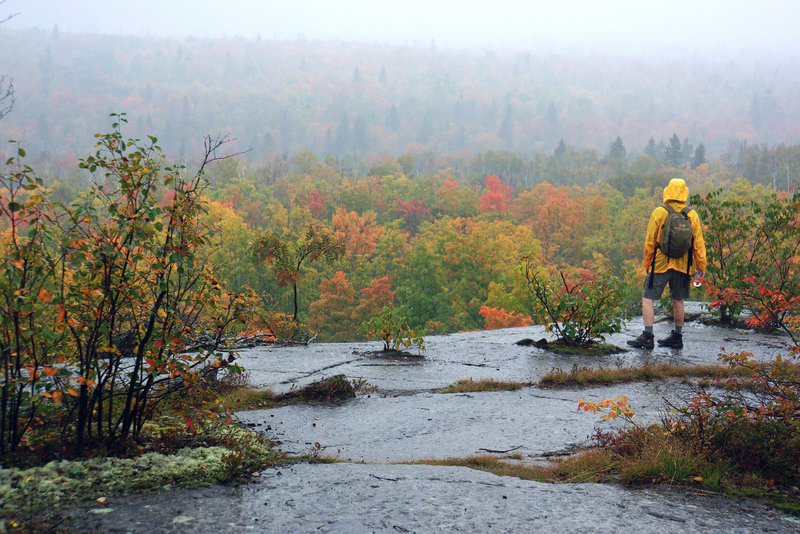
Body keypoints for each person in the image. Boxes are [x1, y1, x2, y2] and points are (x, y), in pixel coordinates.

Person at [628, 178, 707, 349]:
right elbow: (698, 244)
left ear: (668, 191)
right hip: (684, 266)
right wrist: (701, 267)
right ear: (684, 192)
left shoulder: (660, 212)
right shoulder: (691, 214)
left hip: (660, 264)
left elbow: (650, 241)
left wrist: (647, 263)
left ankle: (648, 336)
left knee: (648, 297)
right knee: (678, 299)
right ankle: (677, 337)